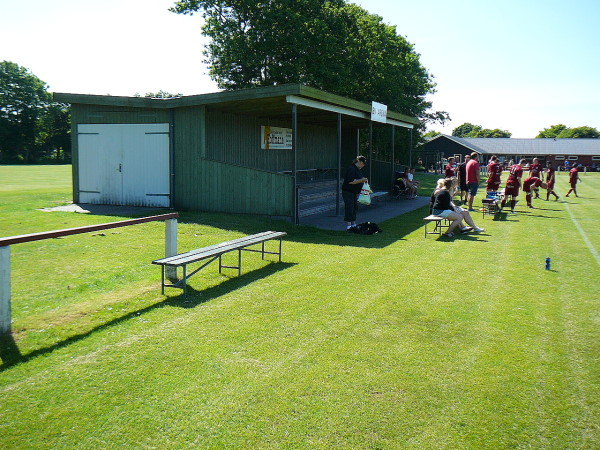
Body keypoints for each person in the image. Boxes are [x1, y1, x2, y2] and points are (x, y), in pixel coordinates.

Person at [342, 155, 368, 231]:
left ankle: (353, 224)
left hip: (354, 192)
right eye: (363, 163)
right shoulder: (352, 169)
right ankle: (349, 226)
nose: (363, 165)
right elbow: (351, 181)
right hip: (348, 191)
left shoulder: (357, 169)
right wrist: (362, 180)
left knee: (354, 208)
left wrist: (363, 180)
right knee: (349, 207)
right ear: (359, 161)